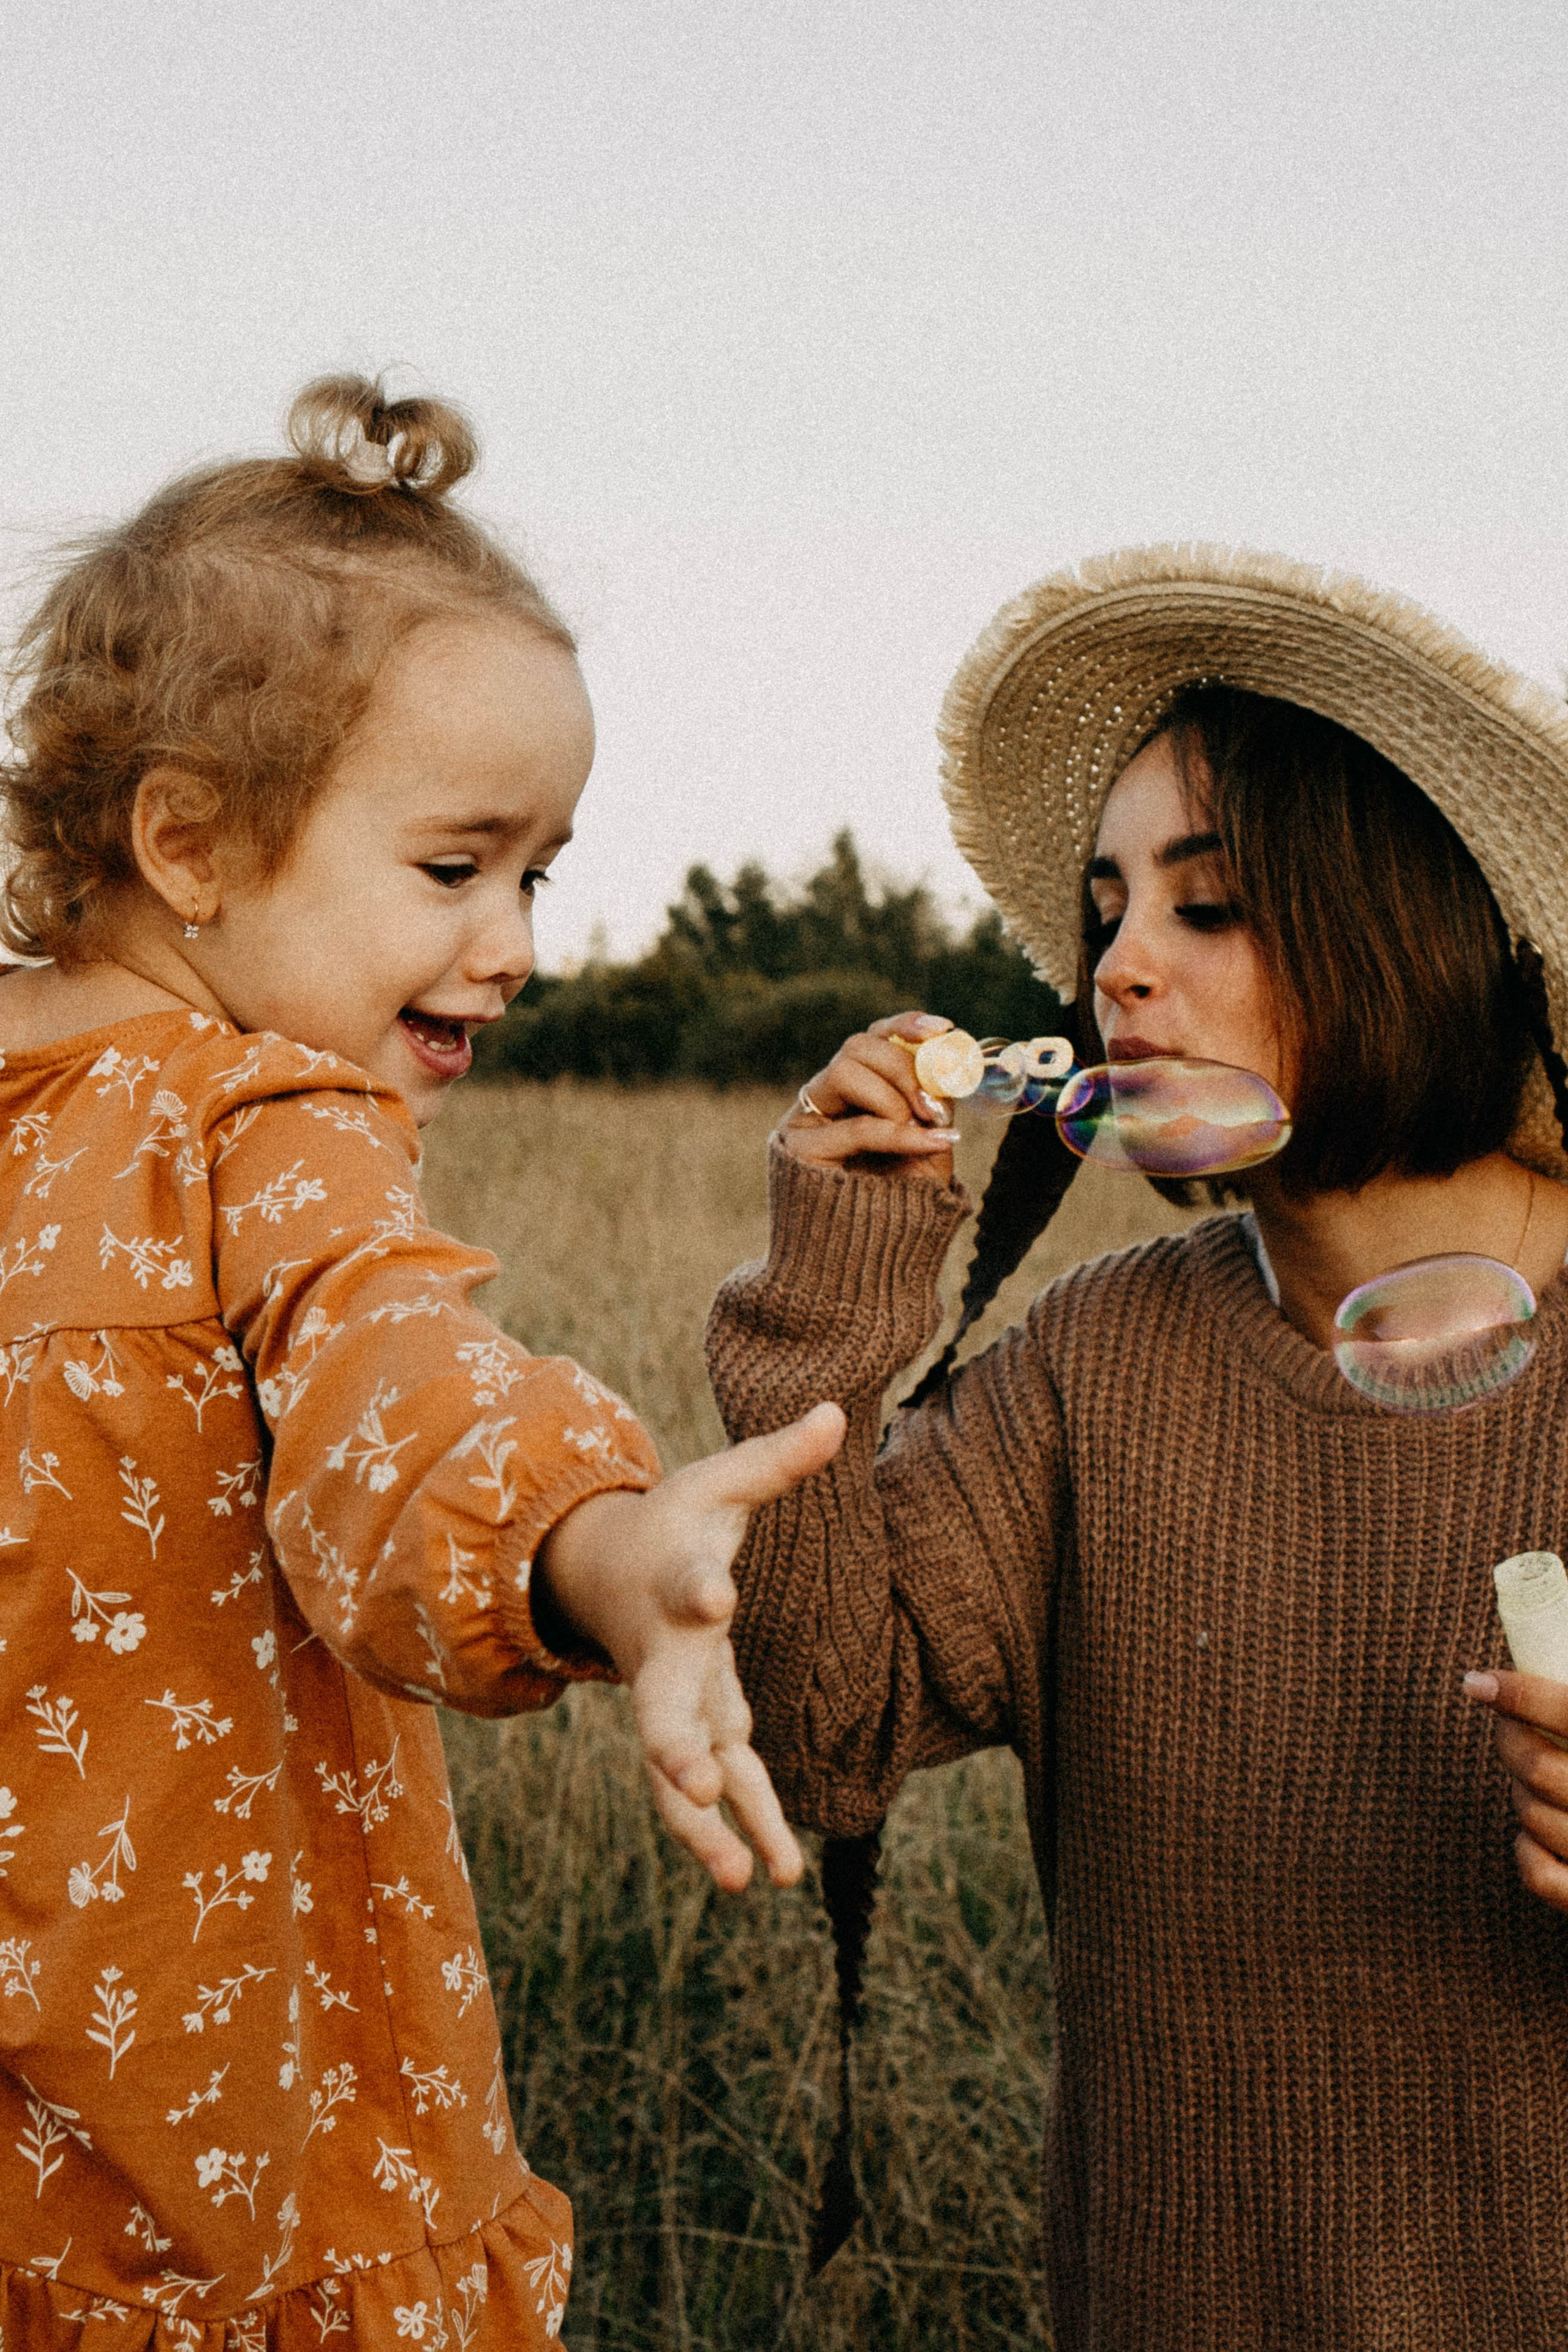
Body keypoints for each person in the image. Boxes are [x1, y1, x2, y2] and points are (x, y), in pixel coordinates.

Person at [0, 374, 842, 2345]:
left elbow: (400, 1385)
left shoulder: (249, 1136)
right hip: (210, 2162)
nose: (519, 943)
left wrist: (590, 1547)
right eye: (457, 869)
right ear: (191, 842)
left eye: (535, 874)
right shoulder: (253, 1110)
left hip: (130, 2136)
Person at [705, 547, 1568, 2347]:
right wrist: (829, 1308)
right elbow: (824, 1738)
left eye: (1210, 905)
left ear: (1413, 931)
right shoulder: (1095, 1368)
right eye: (1104, 912)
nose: (1115, 968)